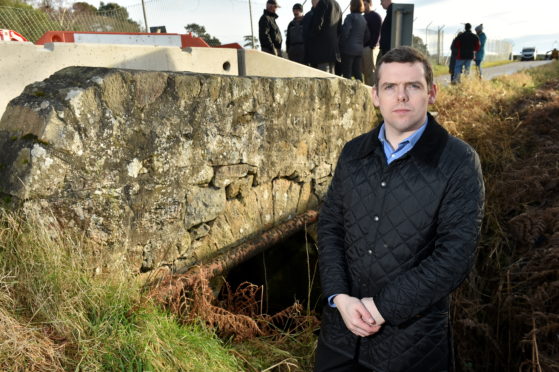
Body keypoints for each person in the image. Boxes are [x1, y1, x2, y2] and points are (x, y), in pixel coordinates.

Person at [315, 46, 485, 372]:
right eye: (390, 87)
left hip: (412, 347)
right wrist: (339, 296)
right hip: (340, 335)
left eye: (413, 86)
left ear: (431, 93)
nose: (401, 96)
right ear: (376, 95)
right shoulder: (353, 153)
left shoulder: (458, 162)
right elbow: (331, 225)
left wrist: (383, 308)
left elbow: (455, 256)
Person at [307, 0, 343, 73]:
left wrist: (311, 36)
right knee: (332, 74)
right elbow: (339, 28)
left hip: (322, 46)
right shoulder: (337, 5)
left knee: (323, 75)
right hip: (333, 46)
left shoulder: (322, 3)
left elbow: (318, 24)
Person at [339, 0, 369, 81]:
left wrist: (341, 44)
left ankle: (346, 92)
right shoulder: (363, 19)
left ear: (352, 6)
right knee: (357, 73)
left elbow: (345, 32)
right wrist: (360, 43)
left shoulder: (350, 17)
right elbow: (367, 35)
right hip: (359, 50)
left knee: (347, 74)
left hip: (348, 49)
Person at [362, 0, 382, 85]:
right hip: (363, 48)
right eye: (362, 4)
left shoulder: (375, 16)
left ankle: (373, 93)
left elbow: (377, 32)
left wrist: (372, 46)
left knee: (371, 72)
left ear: (370, 4)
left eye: (365, 4)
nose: (363, 6)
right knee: (365, 73)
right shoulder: (363, 16)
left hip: (371, 48)